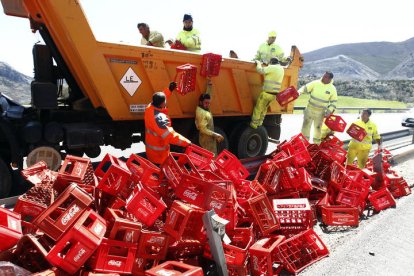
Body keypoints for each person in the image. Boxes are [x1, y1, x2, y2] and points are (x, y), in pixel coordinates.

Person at [144, 91, 191, 165]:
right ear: (162, 103)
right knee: (160, 174)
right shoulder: (159, 119)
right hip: (159, 156)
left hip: (152, 151)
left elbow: (159, 97)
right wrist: (187, 143)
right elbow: (170, 136)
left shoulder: (149, 108)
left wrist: (169, 90)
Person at [299, 72, 338, 145]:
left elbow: (334, 102)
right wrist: (299, 92)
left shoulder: (332, 89)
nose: (323, 78)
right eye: (323, 76)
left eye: (326, 77)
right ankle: (304, 142)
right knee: (305, 126)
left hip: (321, 113)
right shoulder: (315, 83)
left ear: (330, 79)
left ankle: (316, 143)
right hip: (310, 109)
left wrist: (329, 111)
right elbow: (305, 88)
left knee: (318, 128)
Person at [250, 57, 284, 129]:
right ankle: (260, 123)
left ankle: (254, 124)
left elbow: (260, 70)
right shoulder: (281, 69)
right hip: (273, 95)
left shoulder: (272, 67)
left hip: (266, 93)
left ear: (271, 62)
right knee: (264, 109)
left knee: (258, 108)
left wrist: (258, 63)